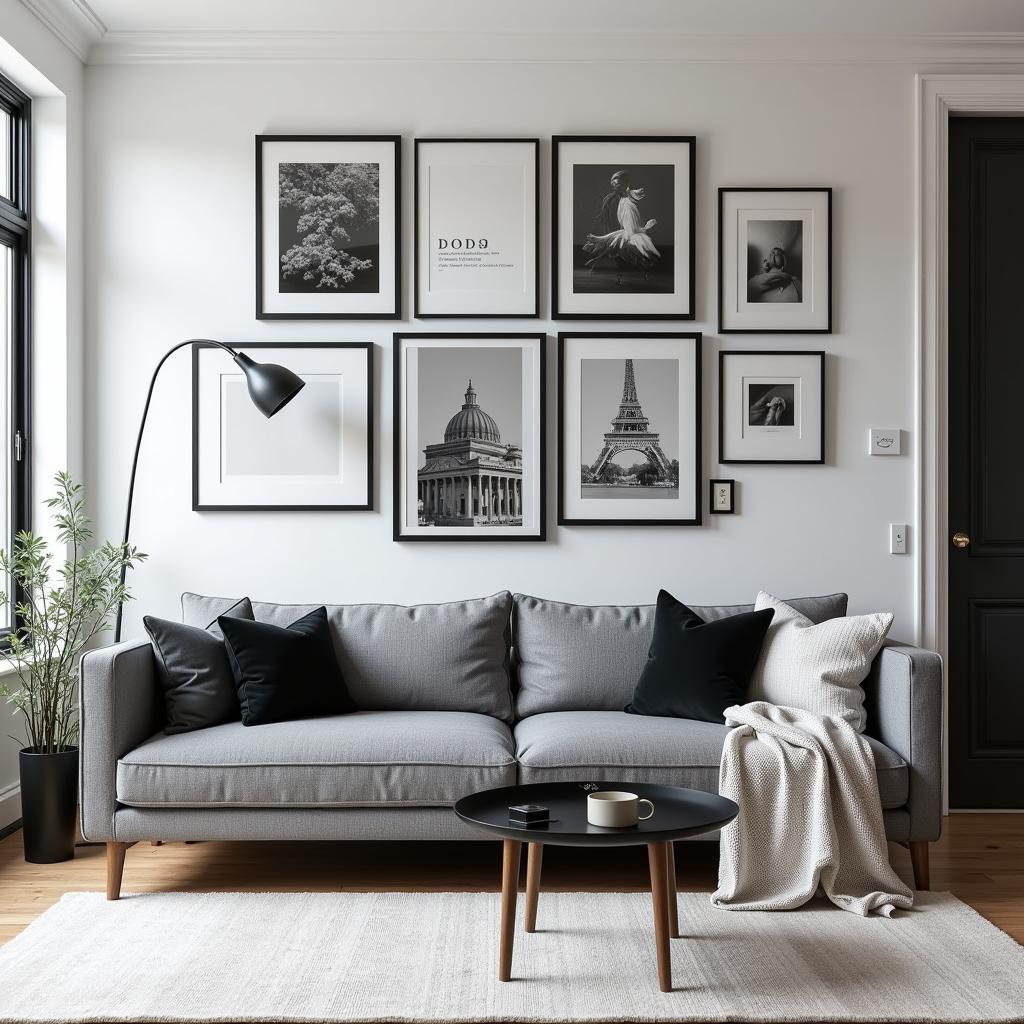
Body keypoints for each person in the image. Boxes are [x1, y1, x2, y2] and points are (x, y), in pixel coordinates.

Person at [582, 170, 661, 285]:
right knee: (612, 245)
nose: (615, 187)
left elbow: (632, 229)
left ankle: (636, 274)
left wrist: (645, 228)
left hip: (632, 235)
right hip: (629, 233)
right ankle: (601, 264)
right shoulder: (624, 200)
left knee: (615, 246)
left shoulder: (628, 205)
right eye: (613, 185)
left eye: (618, 184)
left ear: (625, 185)